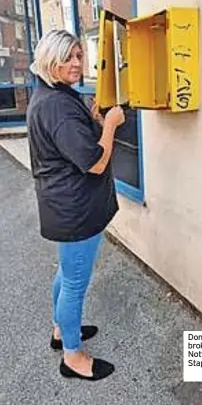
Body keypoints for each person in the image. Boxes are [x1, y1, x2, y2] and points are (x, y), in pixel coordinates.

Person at [27, 29, 125, 381]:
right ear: (50, 60)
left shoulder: (52, 94)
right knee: (74, 283)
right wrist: (111, 125)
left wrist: (96, 120)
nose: (76, 64)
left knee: (66, 274)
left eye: (79, 56)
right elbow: (94, 161)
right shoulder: (57, 106)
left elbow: (73, 144)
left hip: (66, 207)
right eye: (68, 57)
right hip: (76, 212)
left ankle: (59, 330)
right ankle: (72, 356)